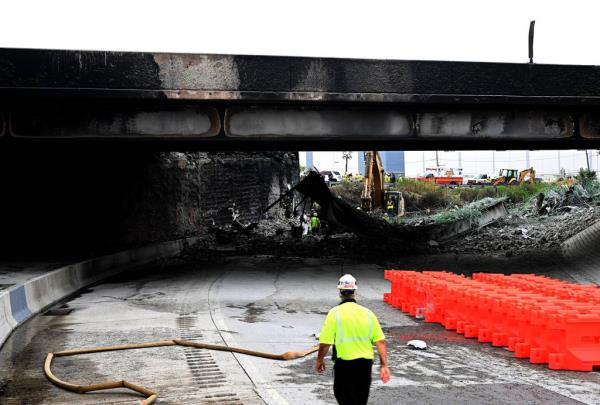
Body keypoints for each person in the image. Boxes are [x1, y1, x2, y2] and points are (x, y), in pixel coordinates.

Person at [316, 274, 390, 405]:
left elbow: (325, 343)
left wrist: (320, 360)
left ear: (340, 292)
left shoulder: (335, 313)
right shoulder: (368, 314)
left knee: (344, 399)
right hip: (365, 365)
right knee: (360, 401)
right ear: (355, 292)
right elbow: (380, 342)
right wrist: (384, 365)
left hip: (344, 365)